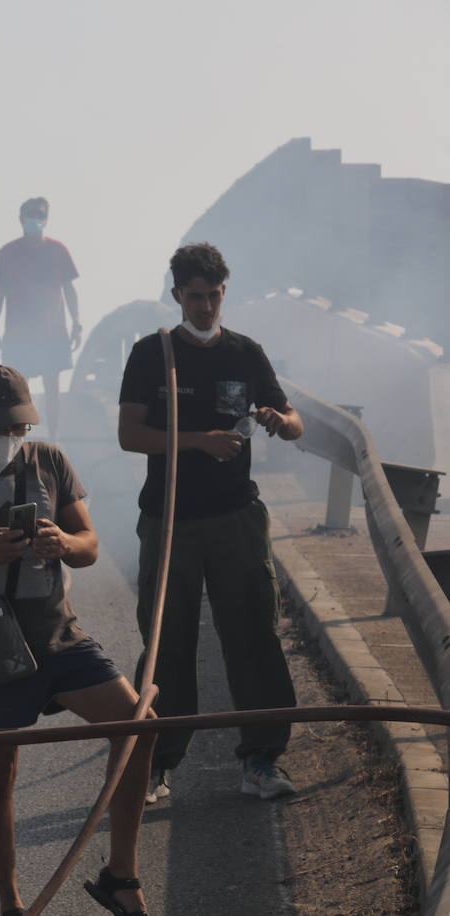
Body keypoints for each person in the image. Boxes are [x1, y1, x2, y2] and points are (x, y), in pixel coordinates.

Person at [0, 366, 153, 916]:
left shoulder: (50, 461)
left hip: (59, 635)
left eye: (18, 428)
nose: (9, 439)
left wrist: (62, 541)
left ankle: (122, 874)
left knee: (138, 725)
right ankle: (10, 903)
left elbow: (89, 545)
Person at [118, 242, 304, 804]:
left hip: (236, 518)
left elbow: (294, 423)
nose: (205, 307)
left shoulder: (246, 353)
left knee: (253, 636)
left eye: (214, 296)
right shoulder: (153, 354)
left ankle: (261, 761)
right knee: (165, 644)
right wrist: (199, 441)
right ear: (176, 295)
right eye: (194, 297)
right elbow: (130, 436)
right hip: (170, 519)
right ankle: (155, 764)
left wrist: (278, 419)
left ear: (225, 292)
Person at [0, 197, 82, 439]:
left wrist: (77, 323)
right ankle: (20, 439)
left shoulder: (57, 250)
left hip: (53, 331)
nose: (35, 219)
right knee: (18, 389)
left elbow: (69, 289)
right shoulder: (7, 252)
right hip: (19, 333)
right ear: (21, 219)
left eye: (39, 215)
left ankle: (54, 437)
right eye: (30, 215)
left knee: (53, 387)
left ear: (46, 219)